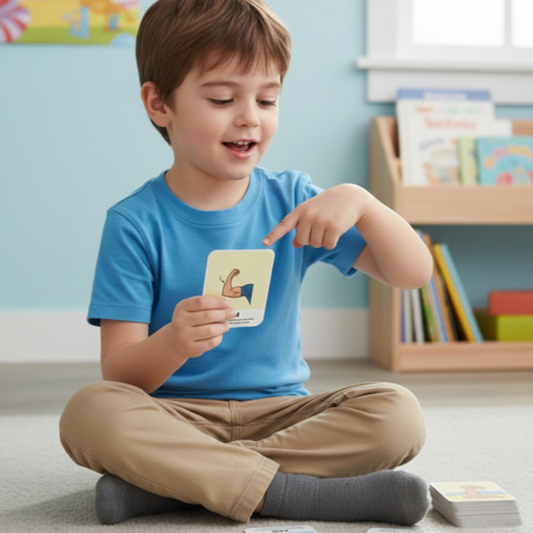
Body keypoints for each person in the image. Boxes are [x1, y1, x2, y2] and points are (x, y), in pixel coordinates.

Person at [59, 0, 434, 526]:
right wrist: (171, 343)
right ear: (159, 104)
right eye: (221, 98)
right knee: (89, 413)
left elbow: (413, 274)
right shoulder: (134, 223)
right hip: (177, 418)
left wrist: (365, 204)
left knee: (398, 415)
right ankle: (293, 493)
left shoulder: (295, 201)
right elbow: (119, 375)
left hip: (283, 415)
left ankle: (178, 488)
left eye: (267, 98)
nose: (249, 117)